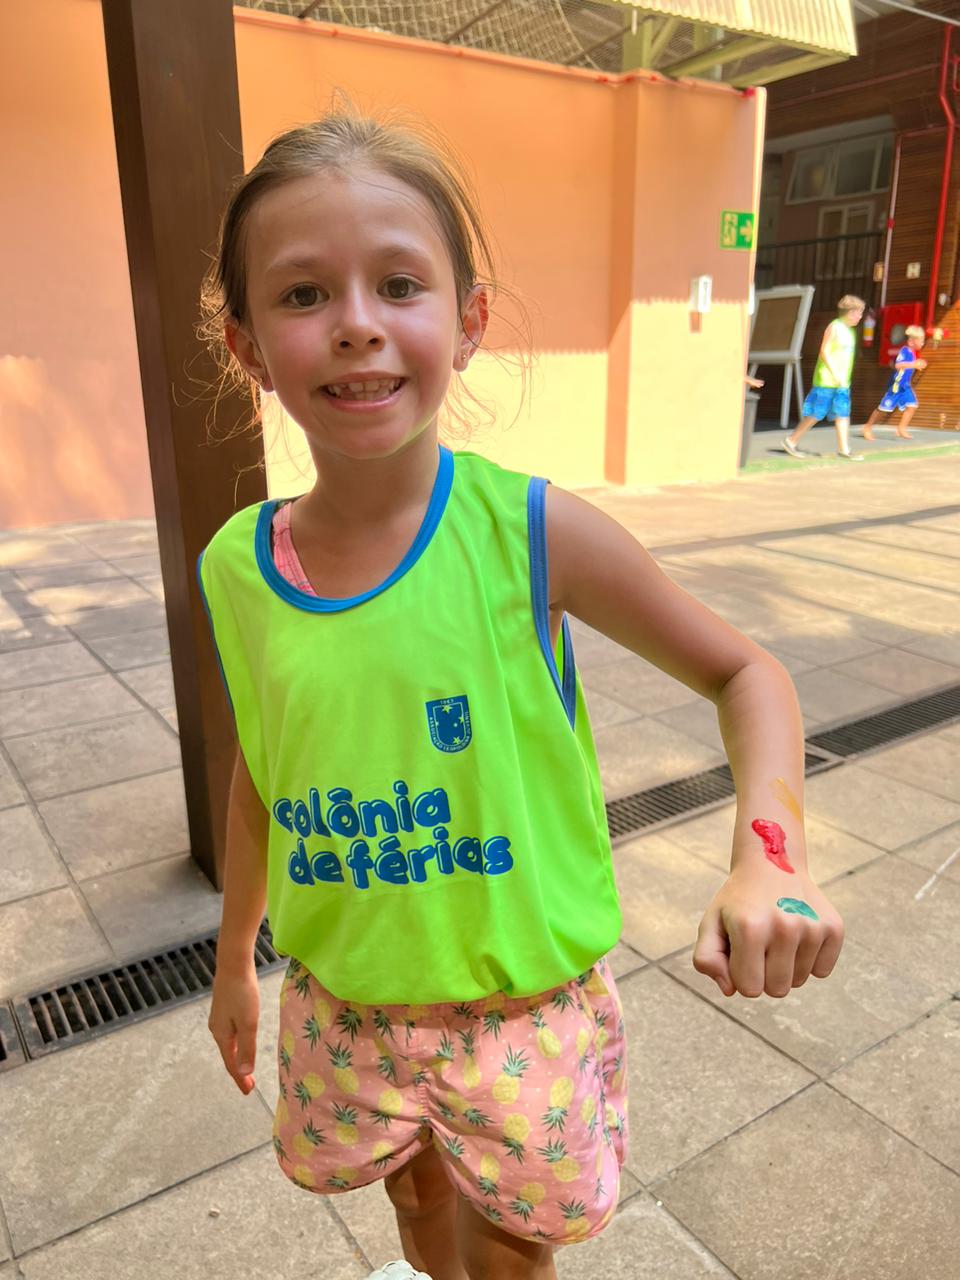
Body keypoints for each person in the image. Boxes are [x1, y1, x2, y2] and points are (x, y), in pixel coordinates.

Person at [198, 111, 844, 1280]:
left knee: (509, 1254)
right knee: (414, 1205)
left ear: (470, 319)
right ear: (245, 343)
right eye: (303, 294)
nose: (356, 322)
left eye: (400, 283)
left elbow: (747, 672)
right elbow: (266, 768)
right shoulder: (238, 568)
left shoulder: (534, 533)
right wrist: (236, 954)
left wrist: (771, 856)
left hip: (520, 1017)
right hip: (345, 1002)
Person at [783, 294, 865, 462]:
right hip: (826, 381)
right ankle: (791, 441)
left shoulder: (850, 332)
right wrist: (834, 373)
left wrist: (842, 378)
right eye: (859, 313)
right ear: (850, 312)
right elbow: (824, 351)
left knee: (842, 414)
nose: (860, 317)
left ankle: (844, 449)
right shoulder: (834, 327)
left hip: (842, 383)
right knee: (815, 413)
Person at [862, 325, 927, 442]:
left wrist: (917, 366)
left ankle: (901, 428)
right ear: (911, 341)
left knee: (912, 406)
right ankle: (867, 427)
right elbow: (898, 365)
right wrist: (914, 364)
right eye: (921, 340)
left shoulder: (913, 353)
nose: (922, 343)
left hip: (905, 386)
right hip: (896, 387)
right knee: (883, 409)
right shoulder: (905, 351)